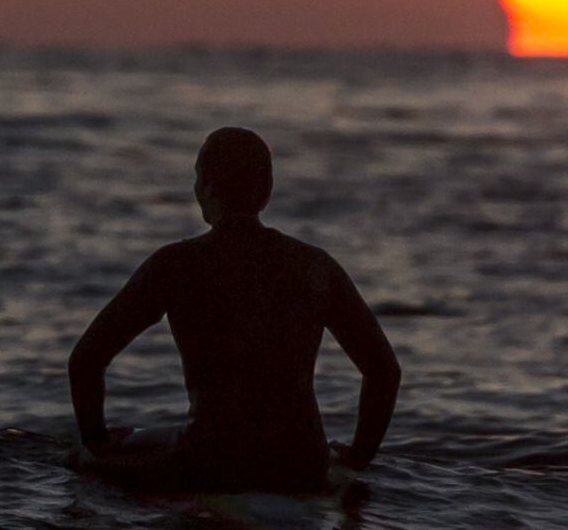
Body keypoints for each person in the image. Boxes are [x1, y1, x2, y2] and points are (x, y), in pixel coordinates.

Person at [68, 126, 401, 493]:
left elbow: (86, 359)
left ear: (207, 187)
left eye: (197, 178)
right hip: (302, 465)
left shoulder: (177, 265)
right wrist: (357, 456)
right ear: (267, 193)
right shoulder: (315, 266)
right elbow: (383, 370)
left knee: (81, 467)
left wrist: (95, 446)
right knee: (139, 441)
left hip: (211, 463)